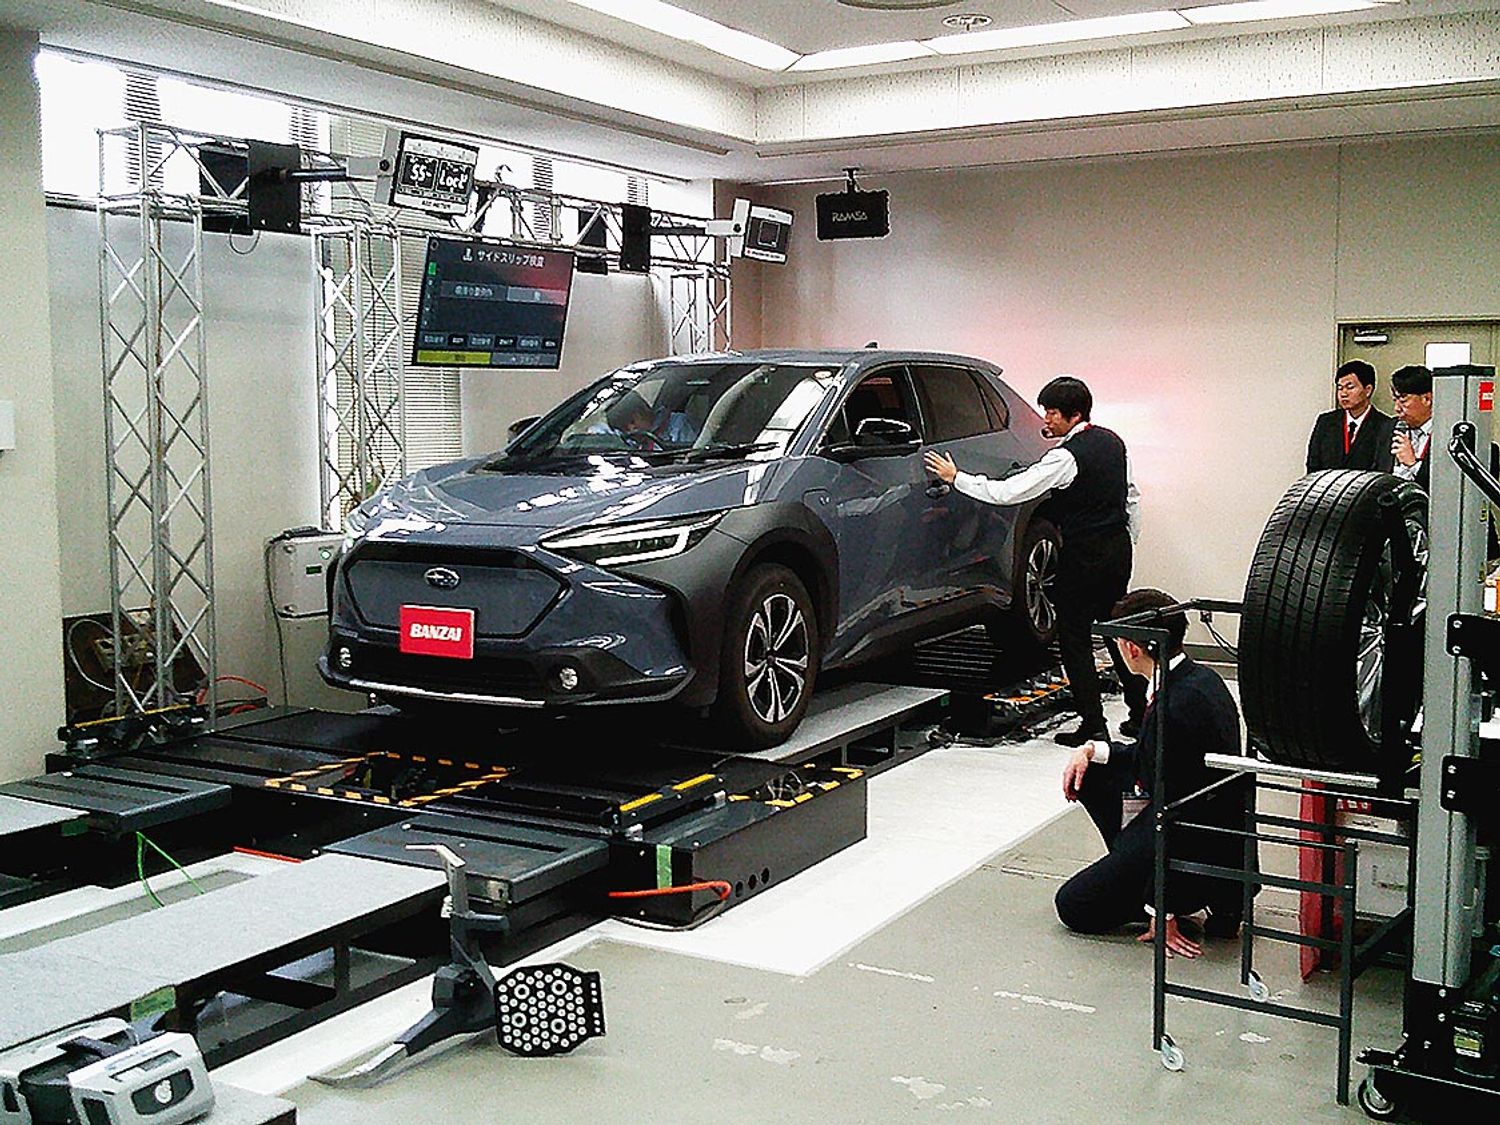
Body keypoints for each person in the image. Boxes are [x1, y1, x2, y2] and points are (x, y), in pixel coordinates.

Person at [925, 375, 1147, 746]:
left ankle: (1093, 726)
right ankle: (1139, 713)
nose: (1046, 419)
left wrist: (957, 477)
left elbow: (1010, 492)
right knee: (1115, 631)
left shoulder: (1065, 457)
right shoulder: (1112, 442)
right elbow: (1132, 498)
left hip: (1083, 555)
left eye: (1053, 413)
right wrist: (1127, 542)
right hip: (1117, 549)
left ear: (1074, 415)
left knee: (1074, 640)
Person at [1053, 589, 1250, 957]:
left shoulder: (1173, 708)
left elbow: (1182, 811)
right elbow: (1155, 757)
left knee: (1073, 905)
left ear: (1131, 648)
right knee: (1092, 772)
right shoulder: (1201, 679)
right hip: (1207, 828)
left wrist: (1163, 908)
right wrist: (1093, 749)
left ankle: (1157, 889)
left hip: (1191, 841)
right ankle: (1134, 871)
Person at [1305, 360, 1396, 473]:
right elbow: (1313, 465)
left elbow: (1384, 470)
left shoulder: (1385, 426)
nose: (1343, 394)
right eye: (1340, 388)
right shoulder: (1326, 422)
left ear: (1368, 390)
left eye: (1350, 387)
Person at [1389, 364, 1434, 491]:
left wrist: (1413, 464)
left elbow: (1447, 485)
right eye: (1395, 400)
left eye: (1403, 400)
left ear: (1427, 399)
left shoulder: (1445, 435)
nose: (1397, 408)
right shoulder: (1389, 428)